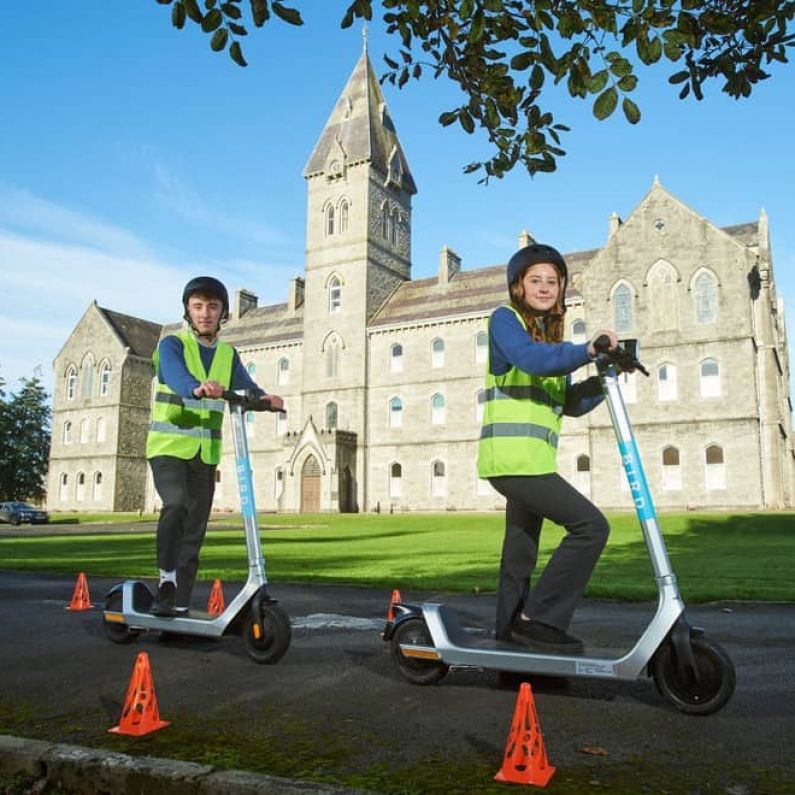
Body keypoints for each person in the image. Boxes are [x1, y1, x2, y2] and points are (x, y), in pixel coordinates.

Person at [476, 243, 619, 655]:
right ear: (518, 286)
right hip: (512, 461)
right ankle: (539, 620)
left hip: (532, 461)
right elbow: (530, 359)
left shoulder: (548, 340)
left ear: (561, 289)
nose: (544, 287)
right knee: (591, 527)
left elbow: (570, 404)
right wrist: (586, 351)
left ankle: (510, 649)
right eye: (534, 280)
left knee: (519, 555)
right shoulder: (505, 322)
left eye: (552, 281)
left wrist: (606, 377)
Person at [146, 276, 283, 617]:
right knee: (176, 503)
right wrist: (195, 388)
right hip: (168, 447)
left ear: (223, 312)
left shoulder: (227, 354)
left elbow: (245, 385)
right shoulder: (172, 345)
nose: (205, 313)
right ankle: (166, 580)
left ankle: (178, 607)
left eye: (212, 306)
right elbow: (176, 376)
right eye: (198, 306)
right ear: (188, 311)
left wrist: (263, 397)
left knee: (194, 533)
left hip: (204, 455)